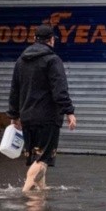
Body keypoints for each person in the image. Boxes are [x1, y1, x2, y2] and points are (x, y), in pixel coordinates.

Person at [8, 24, 77, 193]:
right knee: (42, 158)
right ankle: (26, 190)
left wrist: (14, 114)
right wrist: (69, 111)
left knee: (37, 157)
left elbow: (14, 89)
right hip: (47, 118)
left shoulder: (21, 61)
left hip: (27, 118)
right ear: (51, 40)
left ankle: (40, 194)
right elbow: (59, 89)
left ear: (34, 40)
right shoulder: (53, 60)